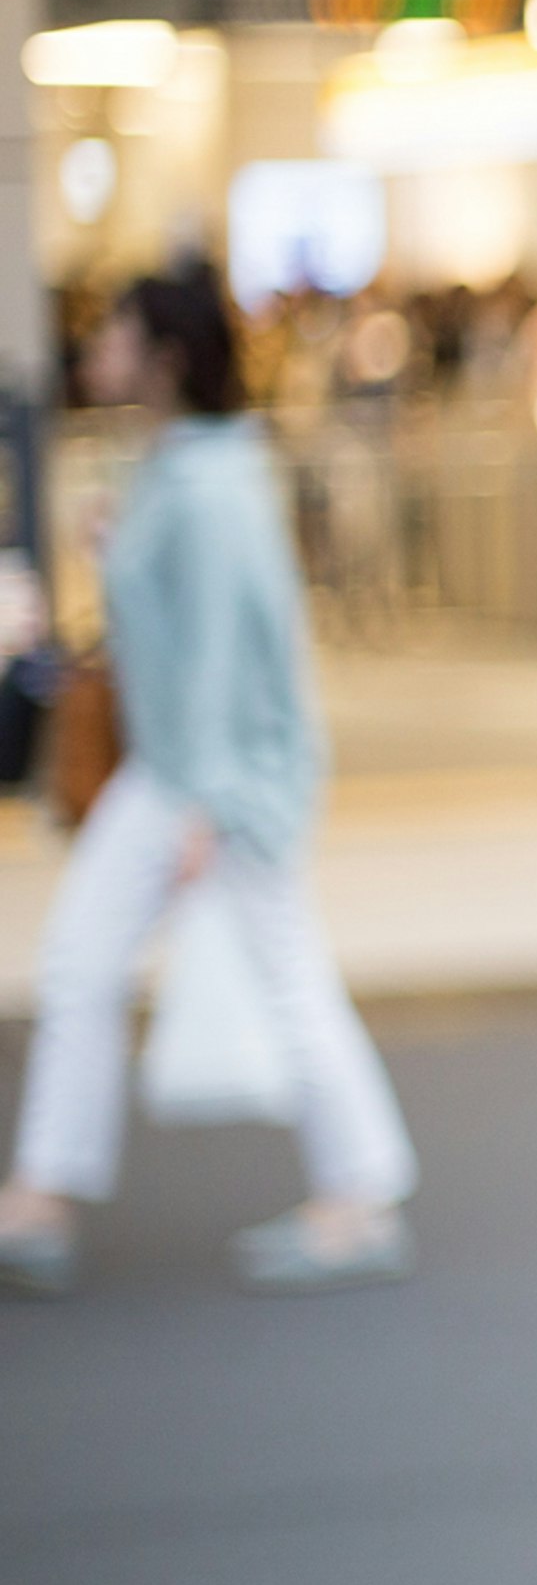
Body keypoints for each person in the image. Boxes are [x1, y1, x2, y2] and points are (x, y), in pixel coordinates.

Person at [0, 270, 418, 1297]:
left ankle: (356, 1195)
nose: (99, 353)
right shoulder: (191, 467)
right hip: (192, 775)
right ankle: (46, 1194)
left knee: (259, 970)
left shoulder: (211, 482)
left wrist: (203, 804)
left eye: (119, 335)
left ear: (168, 355)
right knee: (98, 962)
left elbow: (226, 657)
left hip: (212, 782)